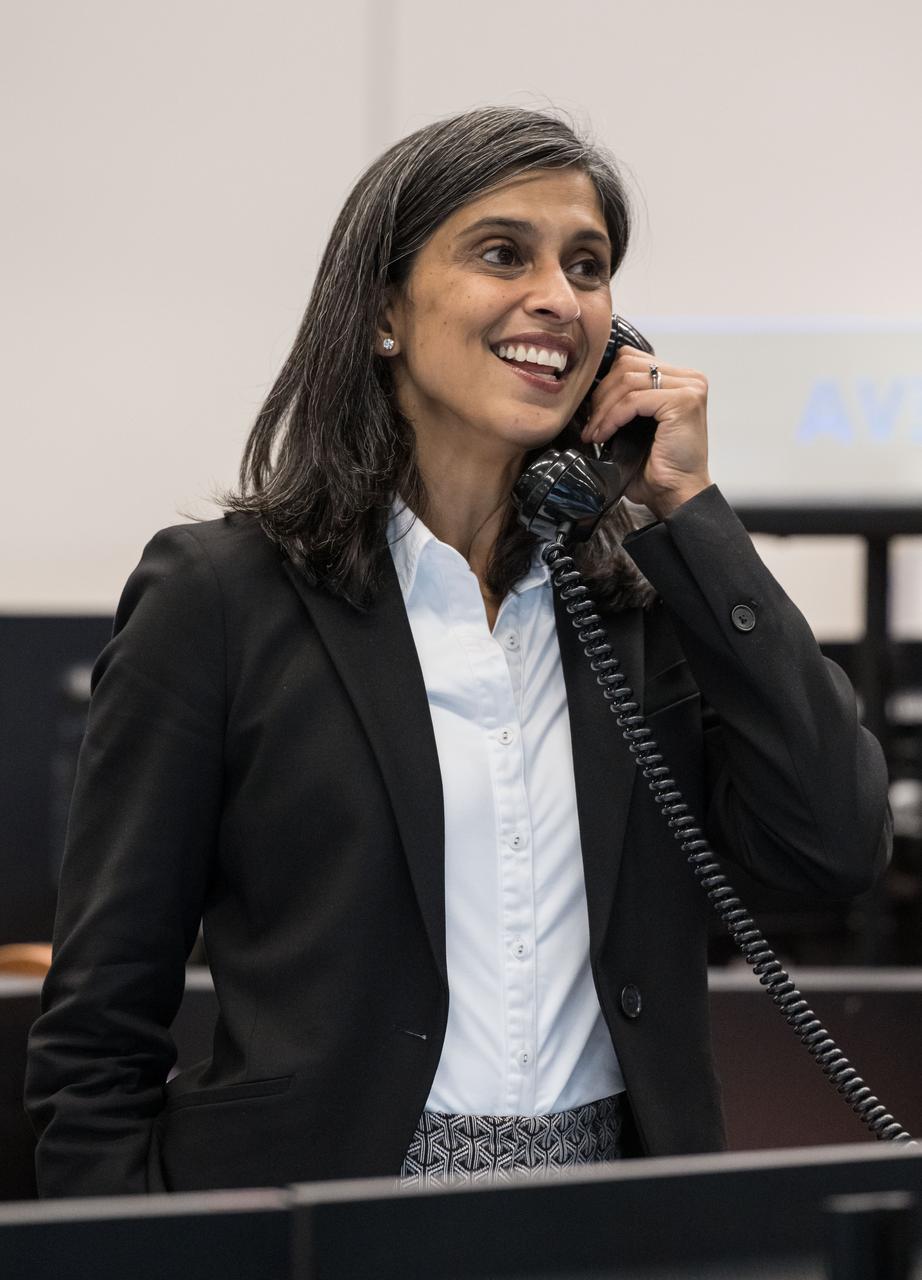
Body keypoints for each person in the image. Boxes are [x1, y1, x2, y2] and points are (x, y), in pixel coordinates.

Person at [25, 107, 890, 1196]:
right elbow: (101, 1015)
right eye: (502, 253)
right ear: (384, 311)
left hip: (613, 1218)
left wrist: (689, 511)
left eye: (588, 266)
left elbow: (833, 844)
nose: (558, 298)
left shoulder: (641, 605)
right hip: (316, 1220)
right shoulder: (219, 598)